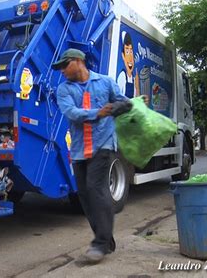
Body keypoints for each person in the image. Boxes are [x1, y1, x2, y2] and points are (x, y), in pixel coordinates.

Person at [53, 48, 128, 264]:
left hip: (102, 144)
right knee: (84, 196)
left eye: (65, 65)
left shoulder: (105, 82)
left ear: (78, 61)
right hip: (78, 150)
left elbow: (123, 102)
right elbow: (72, 114)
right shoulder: (63, 90)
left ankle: (100, 244)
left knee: (96, 189)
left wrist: (119, 106)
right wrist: (98, 112)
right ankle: (107, 240)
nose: (62, 71)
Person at [116, 31, 139, 98]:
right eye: (127, 51)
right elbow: (118, 98)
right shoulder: (122, 76)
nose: (130, 58)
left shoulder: (133, 79)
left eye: (131, 52)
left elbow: (136, 100)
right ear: (123, 56)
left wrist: (137, 87)